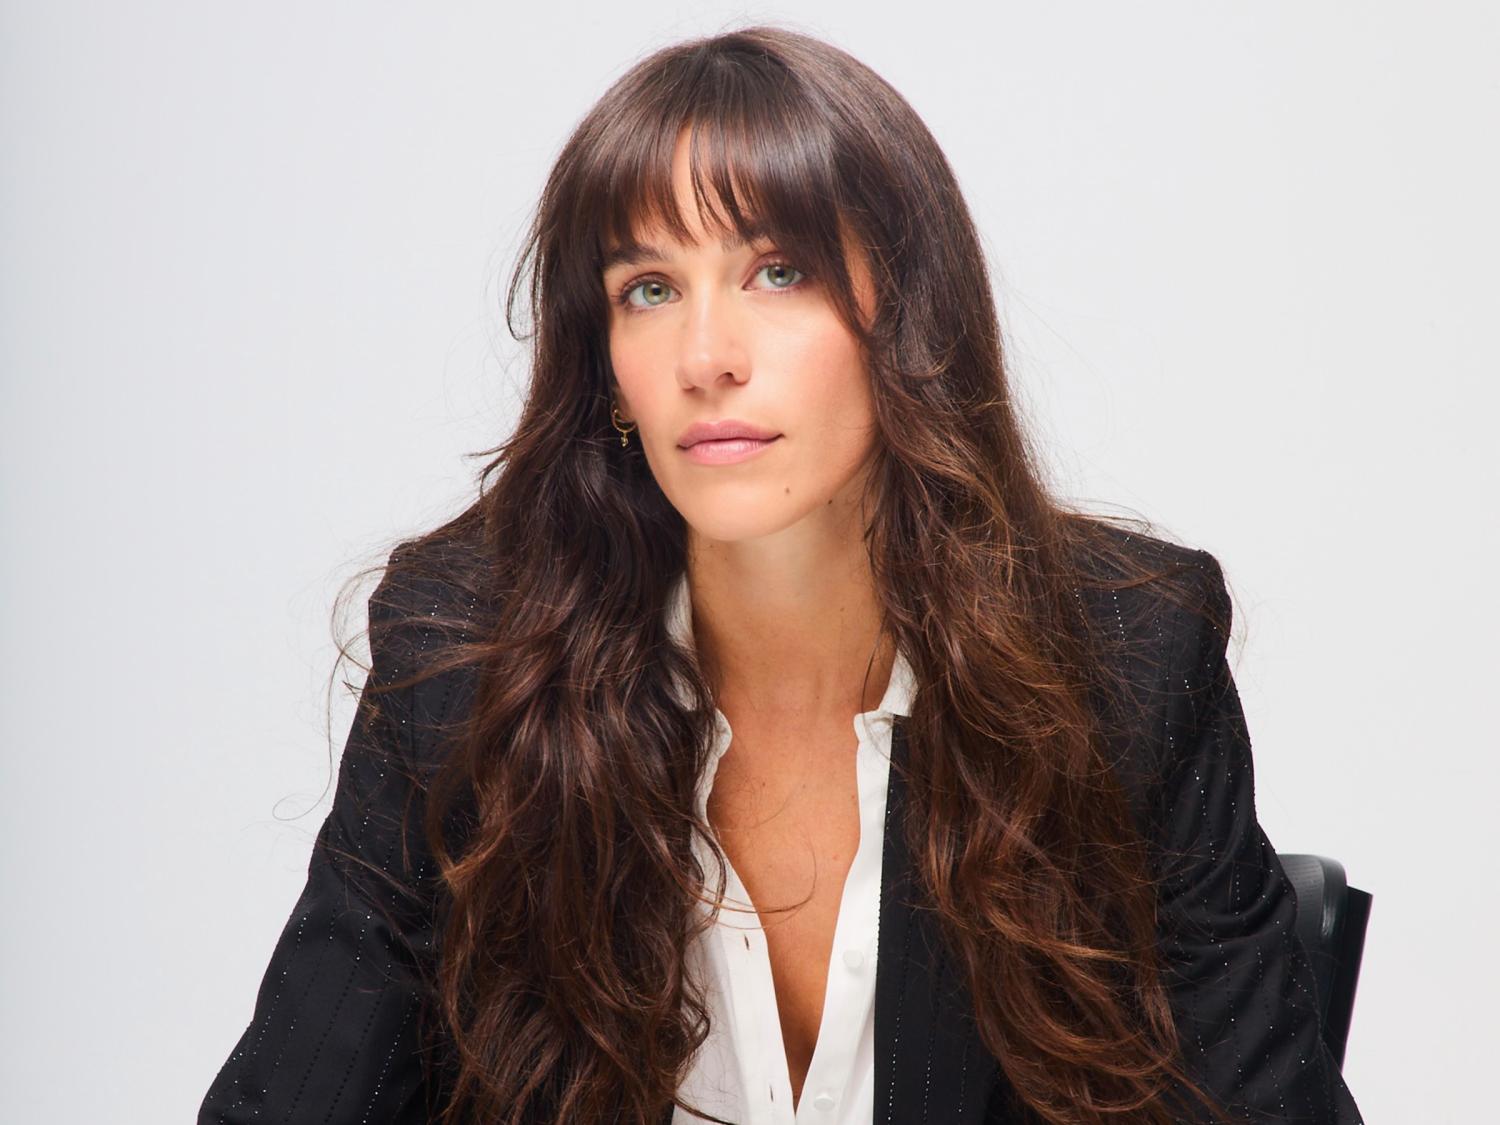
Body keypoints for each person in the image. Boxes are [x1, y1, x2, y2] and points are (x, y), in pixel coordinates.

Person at [198, 24, 1364, 1125]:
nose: (707, 357)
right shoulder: (468, 660)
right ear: (607, 367)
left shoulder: (1124, 659)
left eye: (776, 273)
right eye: (648, 290)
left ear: (904, 315)